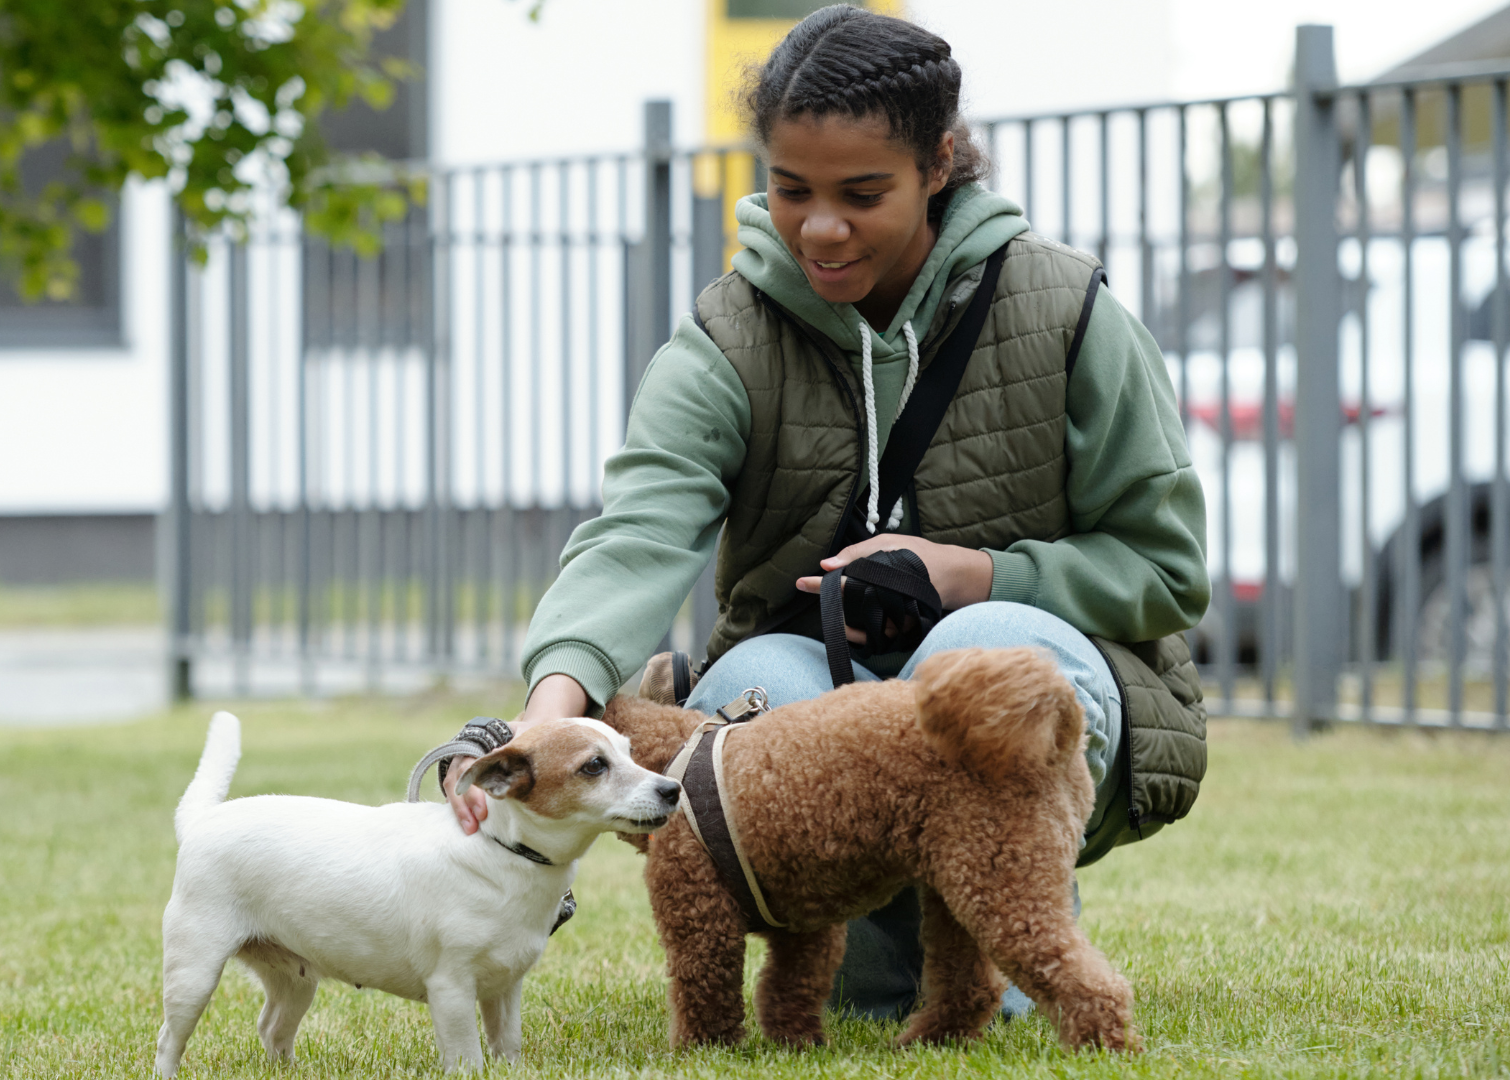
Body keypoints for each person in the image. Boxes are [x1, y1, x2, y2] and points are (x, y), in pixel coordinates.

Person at [445, 3, 1210, 1022]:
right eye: (789, 189)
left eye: (862, 194)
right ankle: (889, 971)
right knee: (761, 687)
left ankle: (1013, 932)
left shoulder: (1069, 310)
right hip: (812, 691)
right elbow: (639, 529)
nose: (819, 227)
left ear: (940, 164)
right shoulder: (730, 332)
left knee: (978, 649)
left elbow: (1167, 568)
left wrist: (972, 575)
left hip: (1052, 686)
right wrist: (549, 715)